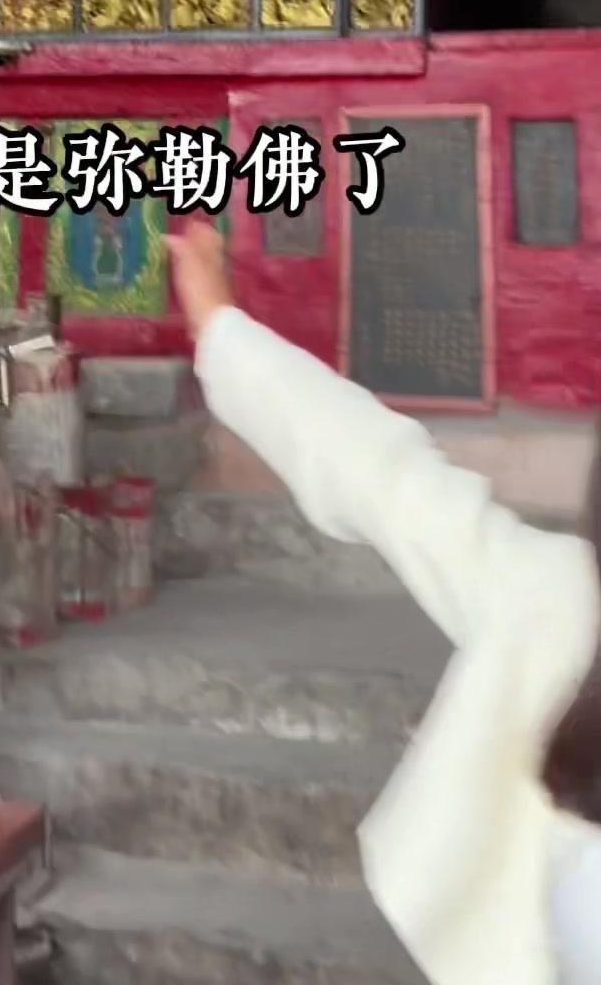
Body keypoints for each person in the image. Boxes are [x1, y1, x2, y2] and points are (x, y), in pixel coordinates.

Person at [167, 221, 601, 985]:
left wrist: (220, 328)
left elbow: (388, 478)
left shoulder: (559, 603)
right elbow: (385, 477)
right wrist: (224, 332)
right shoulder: (562, 605)